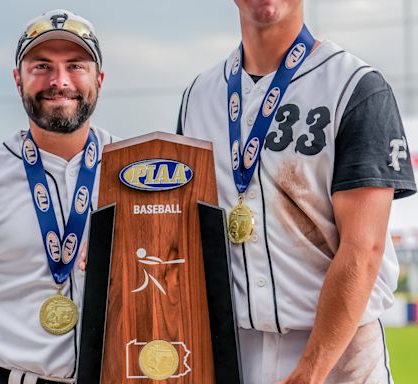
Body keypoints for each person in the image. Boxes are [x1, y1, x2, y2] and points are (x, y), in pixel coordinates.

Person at [177, 1, 416, 383]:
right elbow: (185, 228)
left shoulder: (355, 85)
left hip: (341, 352)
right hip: (236, 349)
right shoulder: (198, 96)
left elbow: (363, 249)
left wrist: (311, 371)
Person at [0, 9, 115, 384]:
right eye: (41, 66)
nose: (59, 81)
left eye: (75, 65)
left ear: (99, 79)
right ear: (18, 79)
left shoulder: (134, 170)